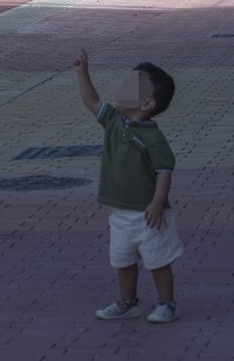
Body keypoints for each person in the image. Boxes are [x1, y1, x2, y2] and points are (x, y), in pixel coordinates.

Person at [72, 49, 181, 325]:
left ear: (146, 103)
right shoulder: (113, 120)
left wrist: (157, 203)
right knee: (122, 260)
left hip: (148, 215)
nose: (123, 88)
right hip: (119, 213)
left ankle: (166, 303)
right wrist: (83, 74)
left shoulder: (152, 137)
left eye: (131, 87)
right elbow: (92, 101)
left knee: (157, 260)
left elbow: (164, 171)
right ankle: (127, 302)